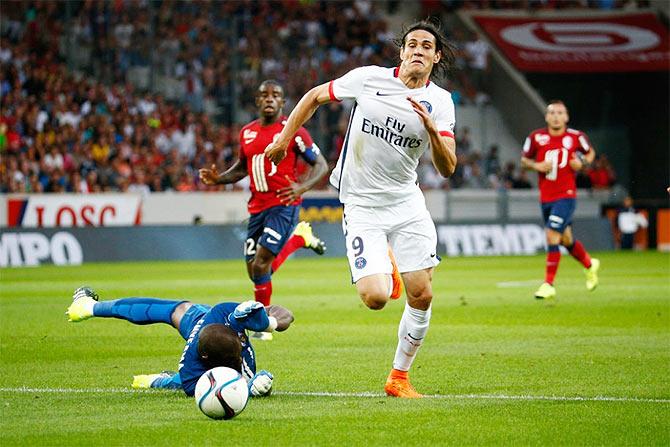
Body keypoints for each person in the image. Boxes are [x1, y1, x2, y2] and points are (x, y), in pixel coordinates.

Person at [265, 18, 457, 398]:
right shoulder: (368, 79)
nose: (418, 51)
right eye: (412, 44)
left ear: (436, 57)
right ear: (402, 52)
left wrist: (433, 132)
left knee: (423, 294)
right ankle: (387, 262)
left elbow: (448, 167)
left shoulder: (442, 102)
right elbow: (314, 97)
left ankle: (398, 378)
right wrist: (285, 138)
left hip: (406, 203)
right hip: (363, 204)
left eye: (426, 47)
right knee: (376, 298)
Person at [199, 80, 329, 340]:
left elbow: (322, 165)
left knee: (260, 266)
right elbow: (241, 167)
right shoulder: (247, 132)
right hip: (257, 208)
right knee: (255, 271)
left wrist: (301, 188)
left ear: (283, 102)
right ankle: (299, 240)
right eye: (264, 95)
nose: (269, 99)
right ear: (257, 101)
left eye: (276, 95)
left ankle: (263, 324)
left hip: (283, 206)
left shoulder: (293, 131)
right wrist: (218, 179)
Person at [65, 286, 294, 397]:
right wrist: (251, 387)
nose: (242, 349)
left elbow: (287, 316)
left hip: (204, 318)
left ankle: (88, 307)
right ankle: (154, 380)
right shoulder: (191, 370)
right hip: (199, 332)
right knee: (175, 383)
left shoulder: (228, 315)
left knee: (177, 310)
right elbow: (199, 387)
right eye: (236, 353)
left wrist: (270, 322)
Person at [521, 100, 600, 300]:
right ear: (546, 117)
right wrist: (536, 166)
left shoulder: (576, 137)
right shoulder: (536, 137)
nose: (556, 116)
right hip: (546, 197)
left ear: (566, 117)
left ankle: (549, 284)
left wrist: (581, 163)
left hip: (566, 195)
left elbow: (590, 153)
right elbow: (524, 160)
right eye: (552, 112)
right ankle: (590, 265)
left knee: (552, 235)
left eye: (560, 113)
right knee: (566, 240)